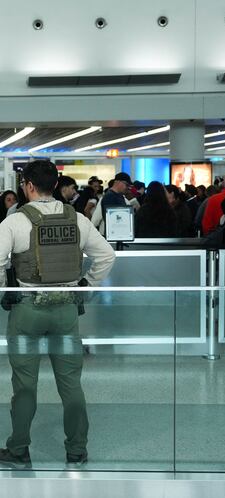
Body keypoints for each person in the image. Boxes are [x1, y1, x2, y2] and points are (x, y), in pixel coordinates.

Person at [0, 160, 115, 468]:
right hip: (65, 312)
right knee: (71, 383)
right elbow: (106, 255)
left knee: (24, 384)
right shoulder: (76, 219)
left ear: (27, 186)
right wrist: (85, 285)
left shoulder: (15, 222)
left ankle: (19, 449)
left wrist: (6, 289)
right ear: (55, 184)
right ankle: (77, 450)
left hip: (27, 313)